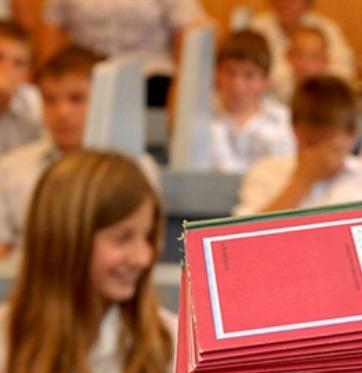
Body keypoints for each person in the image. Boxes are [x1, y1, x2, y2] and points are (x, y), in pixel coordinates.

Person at [0, 150, 175, 373]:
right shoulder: (9, 336)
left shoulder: (168, 340)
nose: (142, 257)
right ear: (67, 240)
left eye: (147, 237)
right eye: (122, 238)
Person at [0, 46, 160, 258]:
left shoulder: (138, 167)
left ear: (103, 100)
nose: (62, 111)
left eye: (77, 99)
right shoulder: (10, 168)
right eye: (50, 99)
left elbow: (149, 246)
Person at [234, 75, 362, 215]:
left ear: (352, 135)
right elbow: (242, 240)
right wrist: (303, 181)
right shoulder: (264, 173)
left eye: (333, 147)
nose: (322, 155)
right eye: (312, 144)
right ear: (295, 130)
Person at [38, 0, 209, 106]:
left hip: (150, 73)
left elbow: (190, 30)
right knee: (71, 94)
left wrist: (180, 91)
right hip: (85, 72)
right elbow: (50, 33)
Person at [205, 29, 295, 173]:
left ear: (266, 80)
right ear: (216, 73)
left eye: (249, 76)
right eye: (230, 72)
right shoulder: (203, 117)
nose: (237, 84)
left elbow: (284, 171)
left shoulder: (282, 119)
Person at [250, 0, 355, 100]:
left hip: (321, 98)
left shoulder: (327, 28)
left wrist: (313, 80)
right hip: (269, 98)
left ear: (307, 3)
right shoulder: (257, 27)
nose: (287, 2)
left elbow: (344, 71)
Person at [0, 20, 42, 154]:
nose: (6, 68)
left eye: (18, 63)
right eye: (0, 57)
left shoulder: (34, 101)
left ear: (28, 75)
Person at [274, 25, 329, 103]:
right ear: (288, 56)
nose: (305, 63)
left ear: (325, 61)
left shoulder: (333, 98)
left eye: (314, 56)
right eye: (299, 54)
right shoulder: (277, 93)